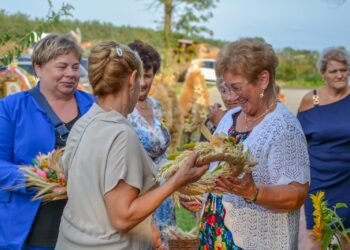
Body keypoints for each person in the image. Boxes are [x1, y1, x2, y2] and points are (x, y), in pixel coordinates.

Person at [55, 41, 208, 250]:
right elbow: (123, 217)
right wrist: (178, 181)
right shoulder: (120, 134)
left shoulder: (86, 121)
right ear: (133, 79)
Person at [197, 39, 310, 250]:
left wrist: (254, 192)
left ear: (263, 79)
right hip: (214, 234)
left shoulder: (284, 127)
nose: (231, 96)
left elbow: (297, 194)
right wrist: (200, 196)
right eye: (227, 88)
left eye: (237, 87)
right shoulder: (229, 117)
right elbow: (217, 174)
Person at [0, 34, 95, 250]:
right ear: (38, 68)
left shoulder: (94, 106)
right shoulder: (10, 108)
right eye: (62, 67)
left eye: (75, 66)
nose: (71, 74)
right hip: (31, 231)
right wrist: (40, 180)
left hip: (86, 228)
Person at [297, 48, 350, 249]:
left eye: (344, 70)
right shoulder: (313, 100)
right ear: (323, 74)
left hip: (347, 180)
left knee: (346, 235)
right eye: (333, 71)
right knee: (315, 235)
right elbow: (298, 140)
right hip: (319, 179)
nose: (339, 75)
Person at [127, 40, 173, 248]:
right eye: (139, 75)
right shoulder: (121, 109)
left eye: (148, 75)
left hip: (164, 198)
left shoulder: (157, 106)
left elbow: (167, 156)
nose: (143, 82)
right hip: (137, 200)